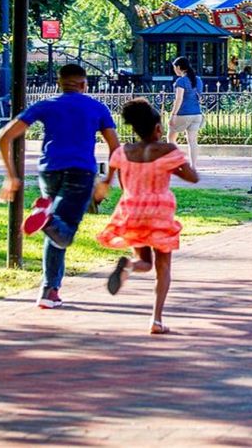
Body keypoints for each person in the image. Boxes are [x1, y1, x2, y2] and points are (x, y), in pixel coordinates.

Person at [0, 64, 119, 309]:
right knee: (63, 232)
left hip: (49, 171)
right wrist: (107, 181)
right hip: (81, 172)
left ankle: (49, 291)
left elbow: (4, 136)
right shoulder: (97, 107)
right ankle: (47, 222)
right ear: (84, 84)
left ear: (59, 84)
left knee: (54, 233)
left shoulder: (46, 105)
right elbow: (116, 148)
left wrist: (11, 176)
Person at [99, 99, 200, 335]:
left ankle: (129, 266)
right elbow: (192, 177)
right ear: (157, 128)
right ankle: (156, 320)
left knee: (144, 261)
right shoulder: (168, 151)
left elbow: (118, 181)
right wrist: (175, 166)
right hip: (160, 212)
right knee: (163, 267)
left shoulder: (123, 152)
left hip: (132, 208)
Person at [168, 56, 205, 170]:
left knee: (171, 138)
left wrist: (173, 115)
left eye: (174, 68)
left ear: (179, 67)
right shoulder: (198, 80)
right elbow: (199, 97)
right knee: (192, 141)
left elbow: (179, 99)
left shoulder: (181, 81)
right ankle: (193, 166)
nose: (174, 70)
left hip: (183, 114)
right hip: (197, 114)